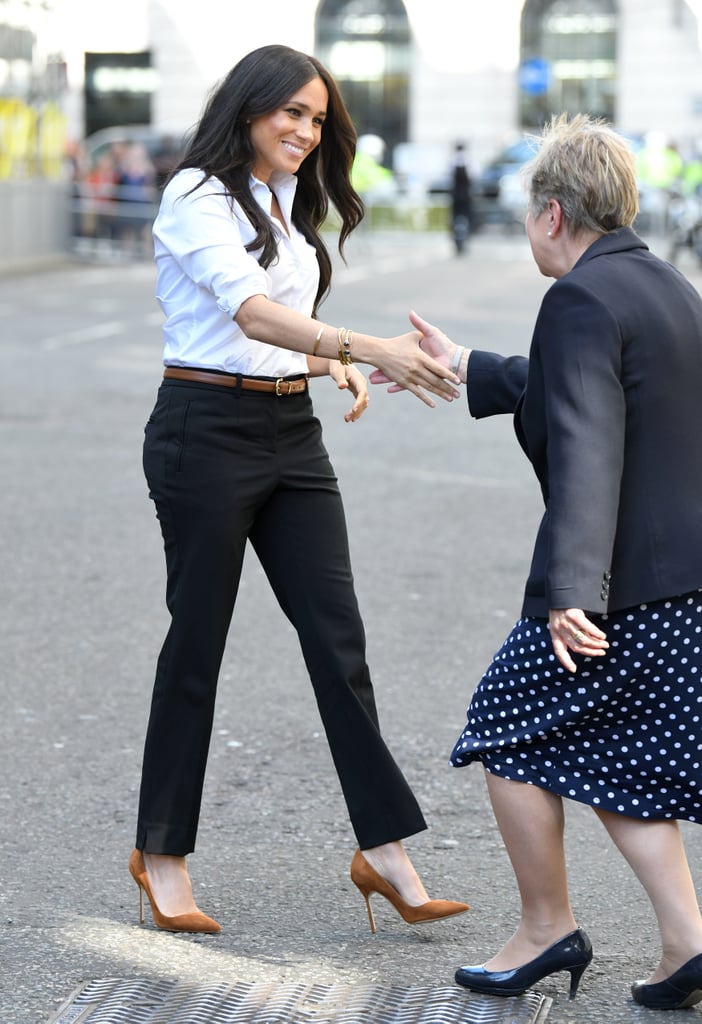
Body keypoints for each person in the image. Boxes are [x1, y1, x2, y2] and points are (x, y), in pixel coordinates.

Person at [129, 43, 469, 937]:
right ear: (249, 108)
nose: (306, 131)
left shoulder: (285, 204)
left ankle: (385, 849)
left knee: (337, 639)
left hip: (290, 437)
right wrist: (368, 348)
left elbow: (273, 335)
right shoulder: (196, 195)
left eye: (318, 120)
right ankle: (161, 854)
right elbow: (242, 316)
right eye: (292, 112)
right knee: (197, 644)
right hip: (203, 434)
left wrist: (325, 367)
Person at [375, 113, 702, 1009]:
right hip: (682, 586)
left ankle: (546, 927)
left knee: (508, 730)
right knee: (619, 759)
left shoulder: (581, 300)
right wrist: (469, 364)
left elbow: (590, 442)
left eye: (528, 212)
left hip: (619, 587)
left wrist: (570, 594)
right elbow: (590, 391)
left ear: (553, 213)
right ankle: (686, 946)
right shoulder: (667, 286)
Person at [448, 142, 473, 255]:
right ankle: (467, 236)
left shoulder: (452, 161)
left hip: (455, 195)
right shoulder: (469, 160)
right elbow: (475, 176)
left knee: (454, 217)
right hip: (466, 194)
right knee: (468, 216)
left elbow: (446, 175)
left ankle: (455, 237)